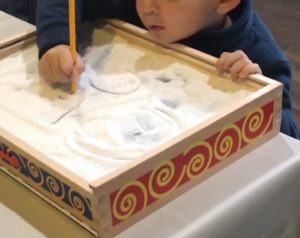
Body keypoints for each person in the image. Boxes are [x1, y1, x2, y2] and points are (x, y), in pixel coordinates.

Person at [35, 0, 300, 139]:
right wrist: (57, 40)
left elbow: (290, 141)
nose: (148, 7)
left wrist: (258, 97)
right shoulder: (134, 5)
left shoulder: (258, 54)